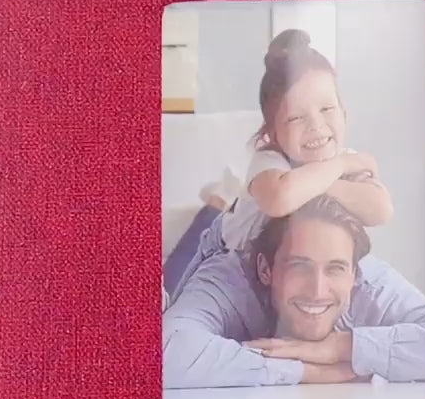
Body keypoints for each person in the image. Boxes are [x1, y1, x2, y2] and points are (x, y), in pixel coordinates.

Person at [167, 29, 394, 302]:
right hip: (227, 259)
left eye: (327, 109)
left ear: (344, 113)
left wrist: (324, 179)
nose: (316, 125)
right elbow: (280, 199)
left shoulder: (339, 161)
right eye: (296, 117)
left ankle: (223, 197)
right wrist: (343, 166)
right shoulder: (270, 160)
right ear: (272, 133)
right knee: (175, 305)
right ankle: (219, 202)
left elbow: (381, 210)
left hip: (280, 276)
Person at [163, 196, 425, 388]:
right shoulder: (227, 277)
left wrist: (342, 347)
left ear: (354, 272)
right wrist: (305, 371)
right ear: (265, 269)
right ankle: (215, 207)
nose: (317, 291)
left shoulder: (371, 283)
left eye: (335, 268)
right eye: (299, 266)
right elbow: (165, 353)